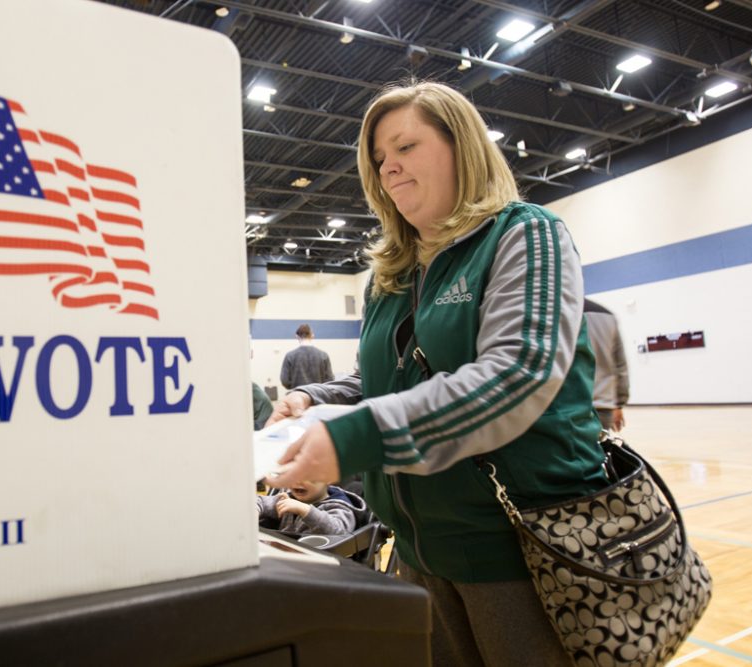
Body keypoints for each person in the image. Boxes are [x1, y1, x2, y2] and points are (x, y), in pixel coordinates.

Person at [264, 81, 608, 667]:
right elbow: (382, 382)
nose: (388, 168)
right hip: (418, 554)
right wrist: (312, 398)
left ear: (462, 148)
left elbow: (515, 376)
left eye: (405, 147)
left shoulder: (525, 235)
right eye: (379, 159)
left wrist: (353, 438)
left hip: (520, 555)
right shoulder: (389, 275)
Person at [256, 481, 367, 536]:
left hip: (323, 568)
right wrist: (254, 511)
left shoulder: (340, 507)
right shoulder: (287, 497)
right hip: (286, 559)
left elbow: (339, 532)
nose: (298, 481)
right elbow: (260, 501)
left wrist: (306, 511)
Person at [584, 299, 630, 432]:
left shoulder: (563, 311)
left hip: (572, 408)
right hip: (604, 406)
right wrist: (619, 404)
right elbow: (620, 366)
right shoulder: (608, 315)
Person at [279, 324, 334, 390]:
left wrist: (294, 388)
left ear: (296, 336)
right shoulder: (323, 355)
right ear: (312, 336)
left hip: (298, 396)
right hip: (318, 397)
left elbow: (285, 381)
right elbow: (330, 379)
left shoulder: (289, 356)